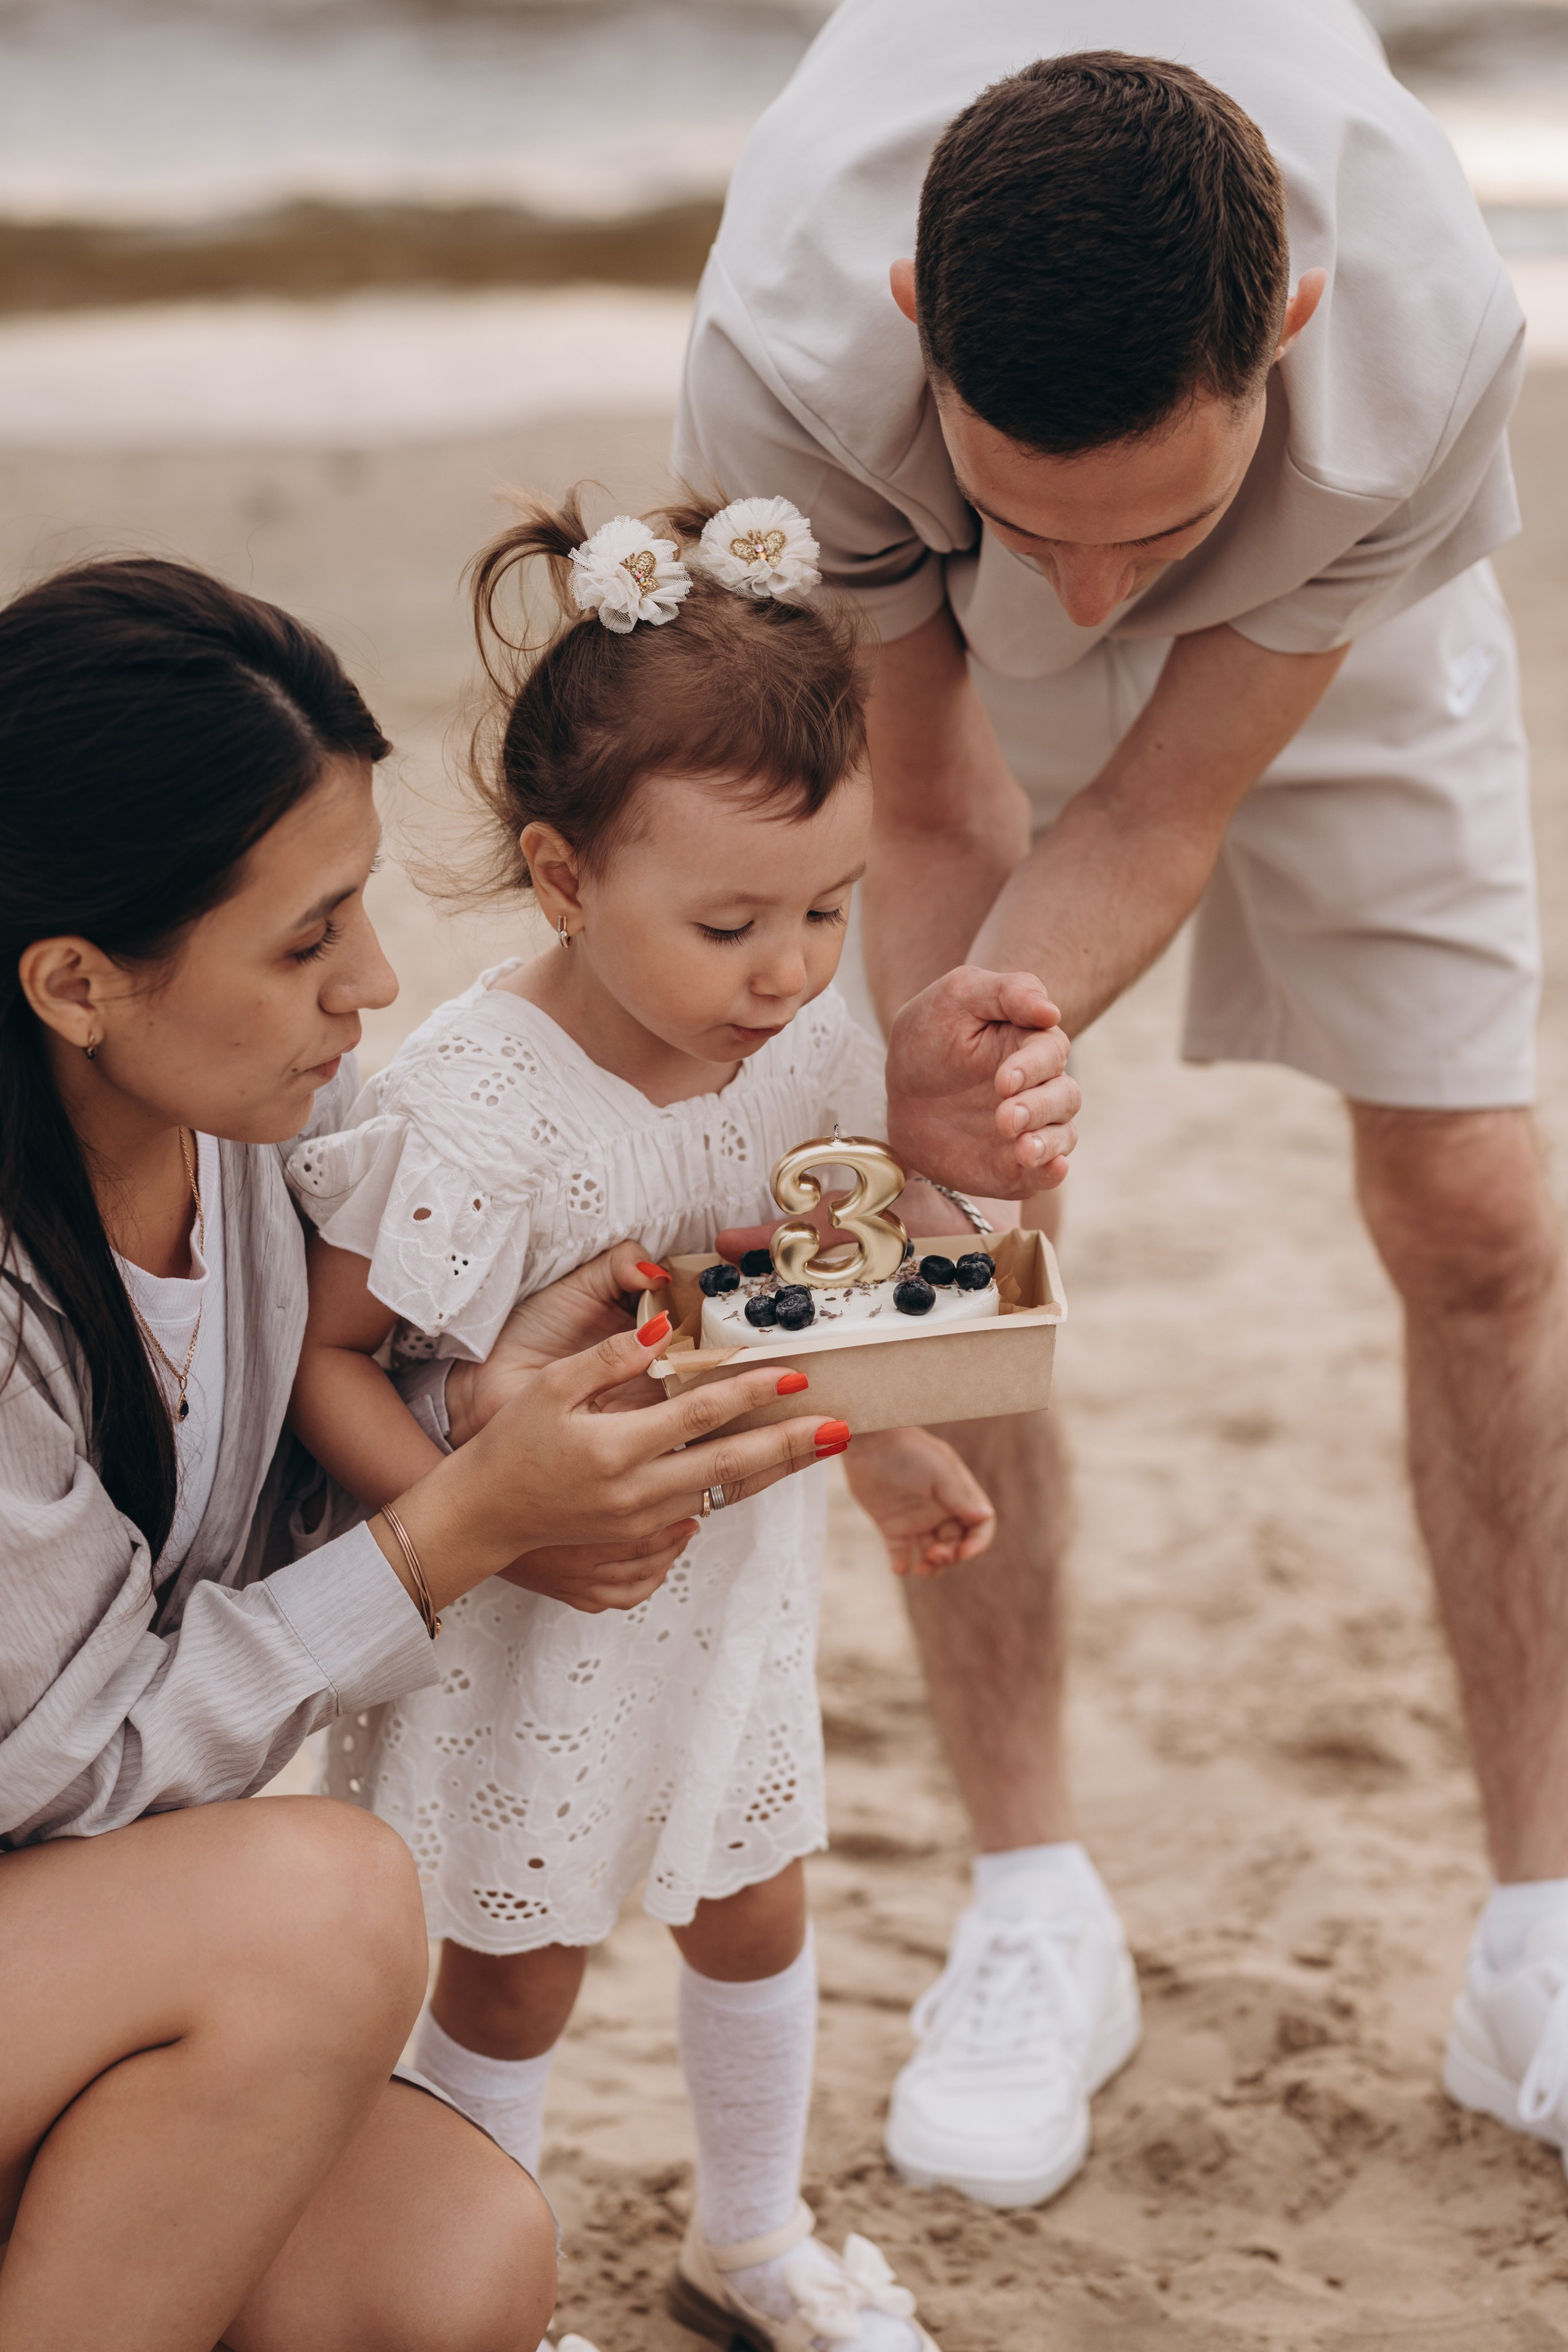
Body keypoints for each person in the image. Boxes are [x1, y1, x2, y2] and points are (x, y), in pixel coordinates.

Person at [674, 4, 1564, 2211]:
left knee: (1479, 1211)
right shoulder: (787, 352)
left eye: (1141, 530)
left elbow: (1165, 801)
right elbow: (941, 793)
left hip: (1330, 633)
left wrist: (974, 1039)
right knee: (941, 1221)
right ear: (914, 320)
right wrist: (939, 1108)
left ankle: (1541, 1931)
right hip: (918, 639)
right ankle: (1029, 1906)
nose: (1083, 601)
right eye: (1034, 521)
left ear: (1293, 330)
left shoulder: (1425, 345)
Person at [0, 556, 839, 2352]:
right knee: (323, 1902)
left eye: (362, 909)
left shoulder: (258, 1147)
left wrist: (471, 1414)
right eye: (307, 941)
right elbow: (70, 1772)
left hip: (75, 1967)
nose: (375, 985)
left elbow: (241, 1508)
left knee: (457, 2266)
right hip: (59, 1900)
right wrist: (454, 1532)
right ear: (76, 983)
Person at [282, 492, 997, 2352]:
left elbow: (810, 1287)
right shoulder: (476, 1106)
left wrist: (891, 1436)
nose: (791, 968)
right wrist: (479, 1524)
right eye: (732, 921)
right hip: (523, 1624)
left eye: (831, 910)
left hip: (729, 1598)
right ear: (565, 877)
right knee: (514, 1975)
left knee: (755, 1905)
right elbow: (328, 1359)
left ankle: (749, 2243)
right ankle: (484, 2285)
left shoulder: (803, 1048)